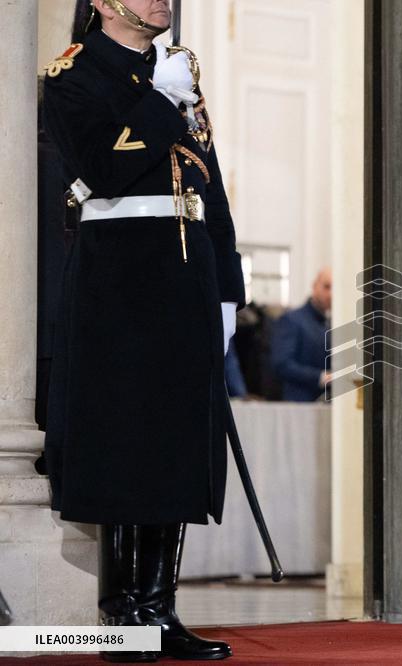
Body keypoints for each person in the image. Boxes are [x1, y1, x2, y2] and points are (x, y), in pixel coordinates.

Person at [43, 0, 244, 660]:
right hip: (120, 278)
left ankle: (160, 609)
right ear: (101, 1)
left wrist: (227, 290)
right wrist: (160, 101)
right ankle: (124, 618)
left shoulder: (175, 69)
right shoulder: (73, 73)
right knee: (128, 444)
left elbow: (207, 184)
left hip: (188, 273)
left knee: (177, 444)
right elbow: (102, 167)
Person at [270, 268, 331, 401]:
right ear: (315, 286)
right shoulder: (292, 320)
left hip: (327, 405)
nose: (330, 294)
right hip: (298, 406)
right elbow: (282, 364)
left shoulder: (330, 323)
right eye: (326, 286)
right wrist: (321, 377)